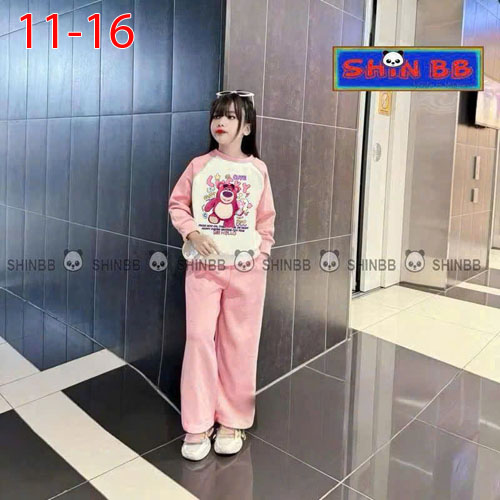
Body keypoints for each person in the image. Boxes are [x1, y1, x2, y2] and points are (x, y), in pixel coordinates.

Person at [168, 90, 276, 461]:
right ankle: (197, 424)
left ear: (246, 127)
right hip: (204, 269)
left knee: (240, 344)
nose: (221, 122)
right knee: (199, 339)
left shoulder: (258, 170)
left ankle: (232, 421)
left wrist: (261, 255)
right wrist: (192, 233)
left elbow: (266, 219)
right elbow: (177, 205)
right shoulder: (199, 166)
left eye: (230, 116)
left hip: (247, 271)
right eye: (217, 115)